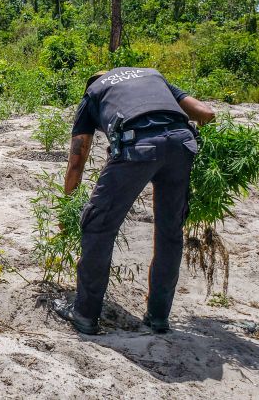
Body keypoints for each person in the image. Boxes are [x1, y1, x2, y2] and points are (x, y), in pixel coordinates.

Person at [53, 67, 215, 335]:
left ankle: (84, 314)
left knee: (97, 226)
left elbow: (77, 160)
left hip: (136, 148)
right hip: (183, 145)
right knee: (169, 231)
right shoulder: (153, 75)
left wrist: (67, 207)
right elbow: (206, 113)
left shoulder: (93, 93)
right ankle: (158, 317)